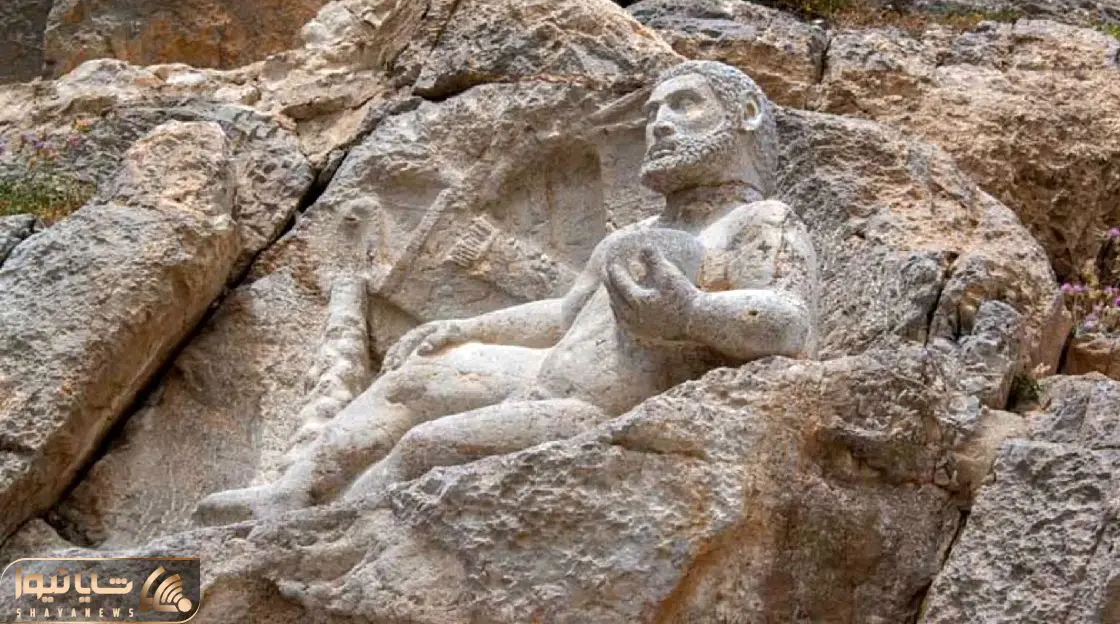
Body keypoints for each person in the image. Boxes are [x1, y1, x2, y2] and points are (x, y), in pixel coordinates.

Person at [194, 60, 819, 524]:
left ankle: (321, 528)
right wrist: (468, 329)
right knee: (415, 381)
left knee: (426, 445)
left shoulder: (758, 222)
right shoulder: (632, 236)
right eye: (654, 111)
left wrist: (693, 312)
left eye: (684, 106)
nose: (659, 124)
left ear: (746, 115)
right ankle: (292, 493)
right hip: (543, 375)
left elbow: (789, 323)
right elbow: (565, 315)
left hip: (598, 411)